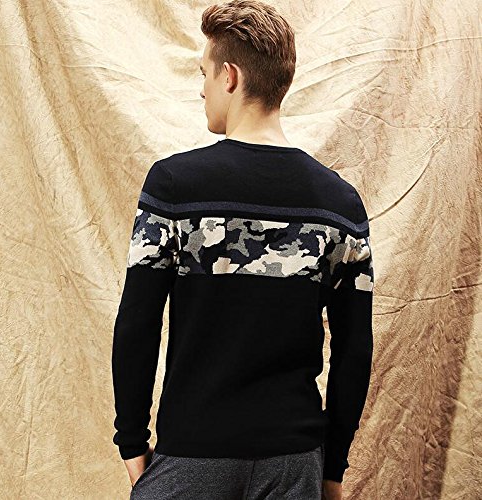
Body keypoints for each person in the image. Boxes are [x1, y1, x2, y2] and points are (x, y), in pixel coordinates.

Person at [111, 1, 374, 499]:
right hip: (294, 464)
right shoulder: (339, 204)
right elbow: (354, 350)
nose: (202, 89)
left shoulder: (174, 186)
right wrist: (332, 468)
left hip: (192, 456)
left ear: (229, 76)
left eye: (204, 73)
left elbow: (137, 325)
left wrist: (132, 443)